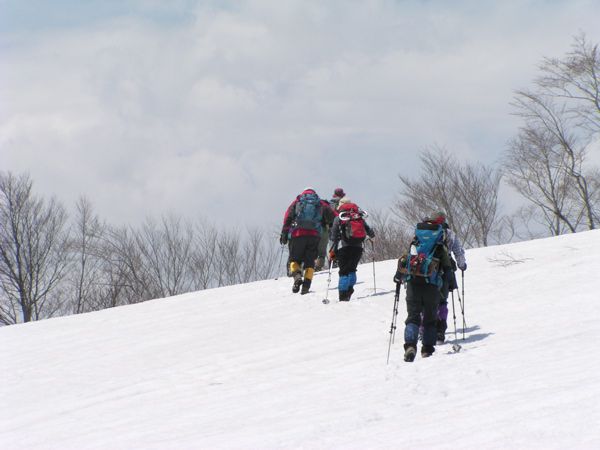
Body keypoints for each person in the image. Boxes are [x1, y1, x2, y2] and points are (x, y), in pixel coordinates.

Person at [394, 216, 452, 361]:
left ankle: (410, 345)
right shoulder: (439, 246)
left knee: (413, 317)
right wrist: (451, 283)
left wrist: (398, 277)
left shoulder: (416, 242)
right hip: (432, 287)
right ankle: (427, 349)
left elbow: (406, 260)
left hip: (413, 284)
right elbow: (448, 268)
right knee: (430, 319)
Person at [280, 188, 335, 294]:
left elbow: (287, 217)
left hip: (297, 234)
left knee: (294, 260)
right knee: (310, 263)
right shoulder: (320, 203)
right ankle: (306, 287)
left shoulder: (297, 201)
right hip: (314, 236)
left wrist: (284, 233)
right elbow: (334, 216)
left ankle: (297, 277)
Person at [429, 211, 467, 343]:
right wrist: (462, 265)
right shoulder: (449, 233)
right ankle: (440, 331)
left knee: (426, 302)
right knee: (442, 301)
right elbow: (458, 251)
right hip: (445, 270)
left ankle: (423, 330)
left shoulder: (426, 232)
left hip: (427, 271)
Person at [329, 197, 375, 301]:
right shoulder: (358, 217)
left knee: (344, 271)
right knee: (352, 269)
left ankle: (343, 295)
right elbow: (370, 232)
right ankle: (350, 289)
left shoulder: (339, 218)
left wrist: (332, 250)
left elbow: (333, 236)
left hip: (343, 248)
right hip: (358, 247)